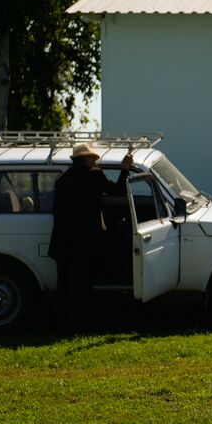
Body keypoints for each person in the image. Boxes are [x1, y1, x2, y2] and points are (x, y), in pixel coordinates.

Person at [49, 142, 133, 331]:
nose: (96, 162)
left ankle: (61, 323)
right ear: (86, 159)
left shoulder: (62, 179)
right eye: (93, 159)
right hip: (83, 240)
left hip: (61, 241)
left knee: (64, 284)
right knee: (81, 284)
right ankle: (78, 325)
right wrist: (125, 169)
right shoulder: (94, 176)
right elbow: (117, 190)